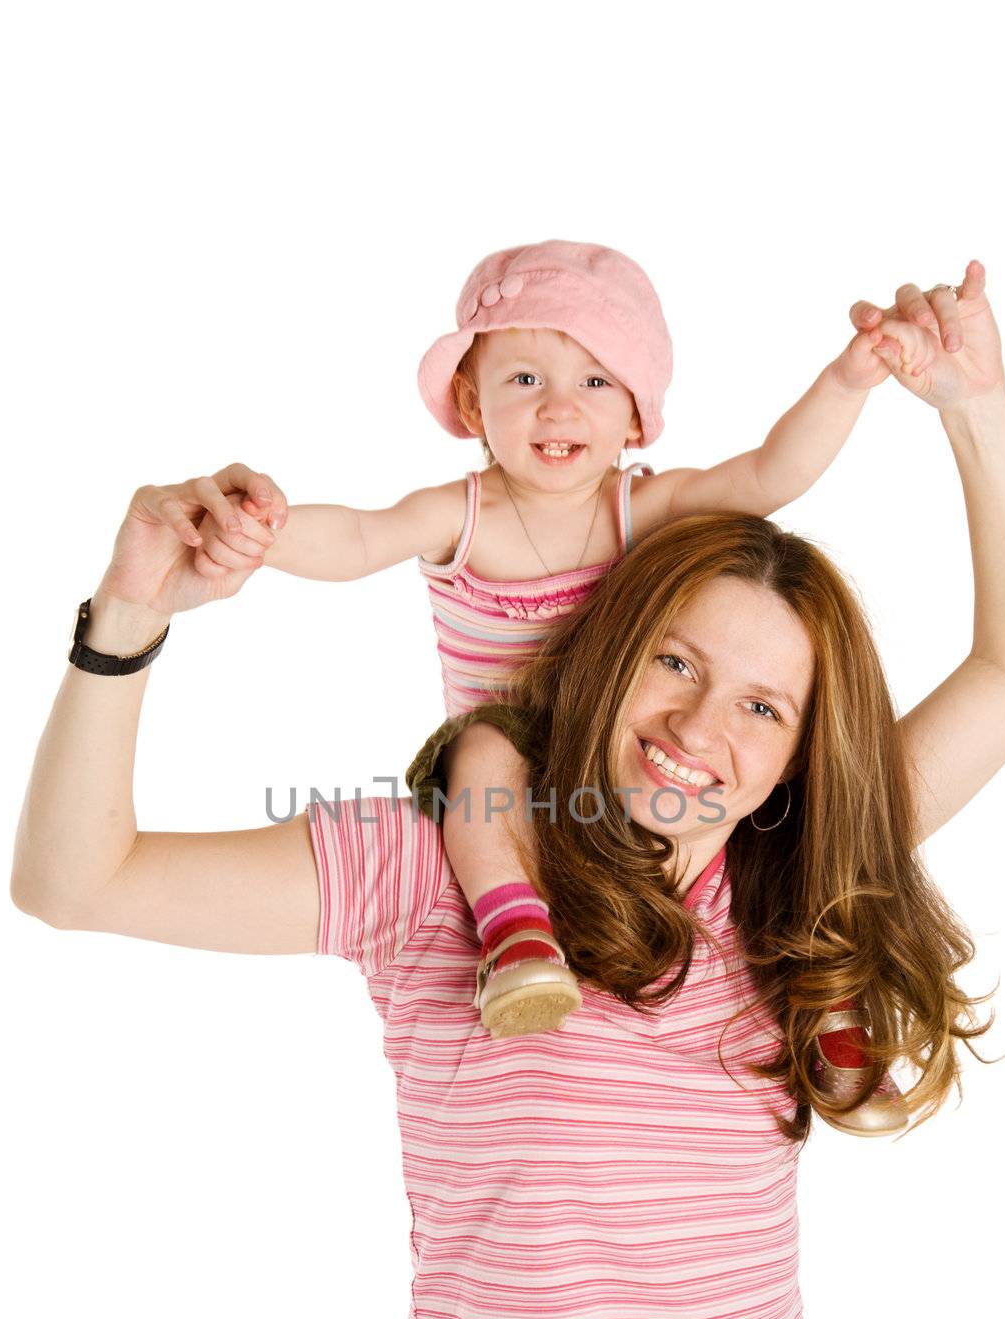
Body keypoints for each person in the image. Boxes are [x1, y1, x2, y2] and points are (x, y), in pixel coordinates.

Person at [10, 263, 1005, 1319]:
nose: (703, 732)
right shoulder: (436, 867)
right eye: (679, 664)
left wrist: (970, 400)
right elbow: (75, 881)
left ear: (802, 754)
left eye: (764, 709)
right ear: (610, 644)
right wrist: (126, 620)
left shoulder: (787, 871)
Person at [182, 238, 911, 1133]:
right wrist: (266, 532)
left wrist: (848, 379)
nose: (560, 408)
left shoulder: (640, 508)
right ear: (470, 400)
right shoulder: (462, 512)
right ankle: (517, 934)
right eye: (524, 378)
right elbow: (360, 539)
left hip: (633, 760)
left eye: (597, 384)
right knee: (485, 746)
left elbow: (768, 475)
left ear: (638, 417)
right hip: (516, 767)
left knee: (777, 825)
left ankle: (833, 1000)